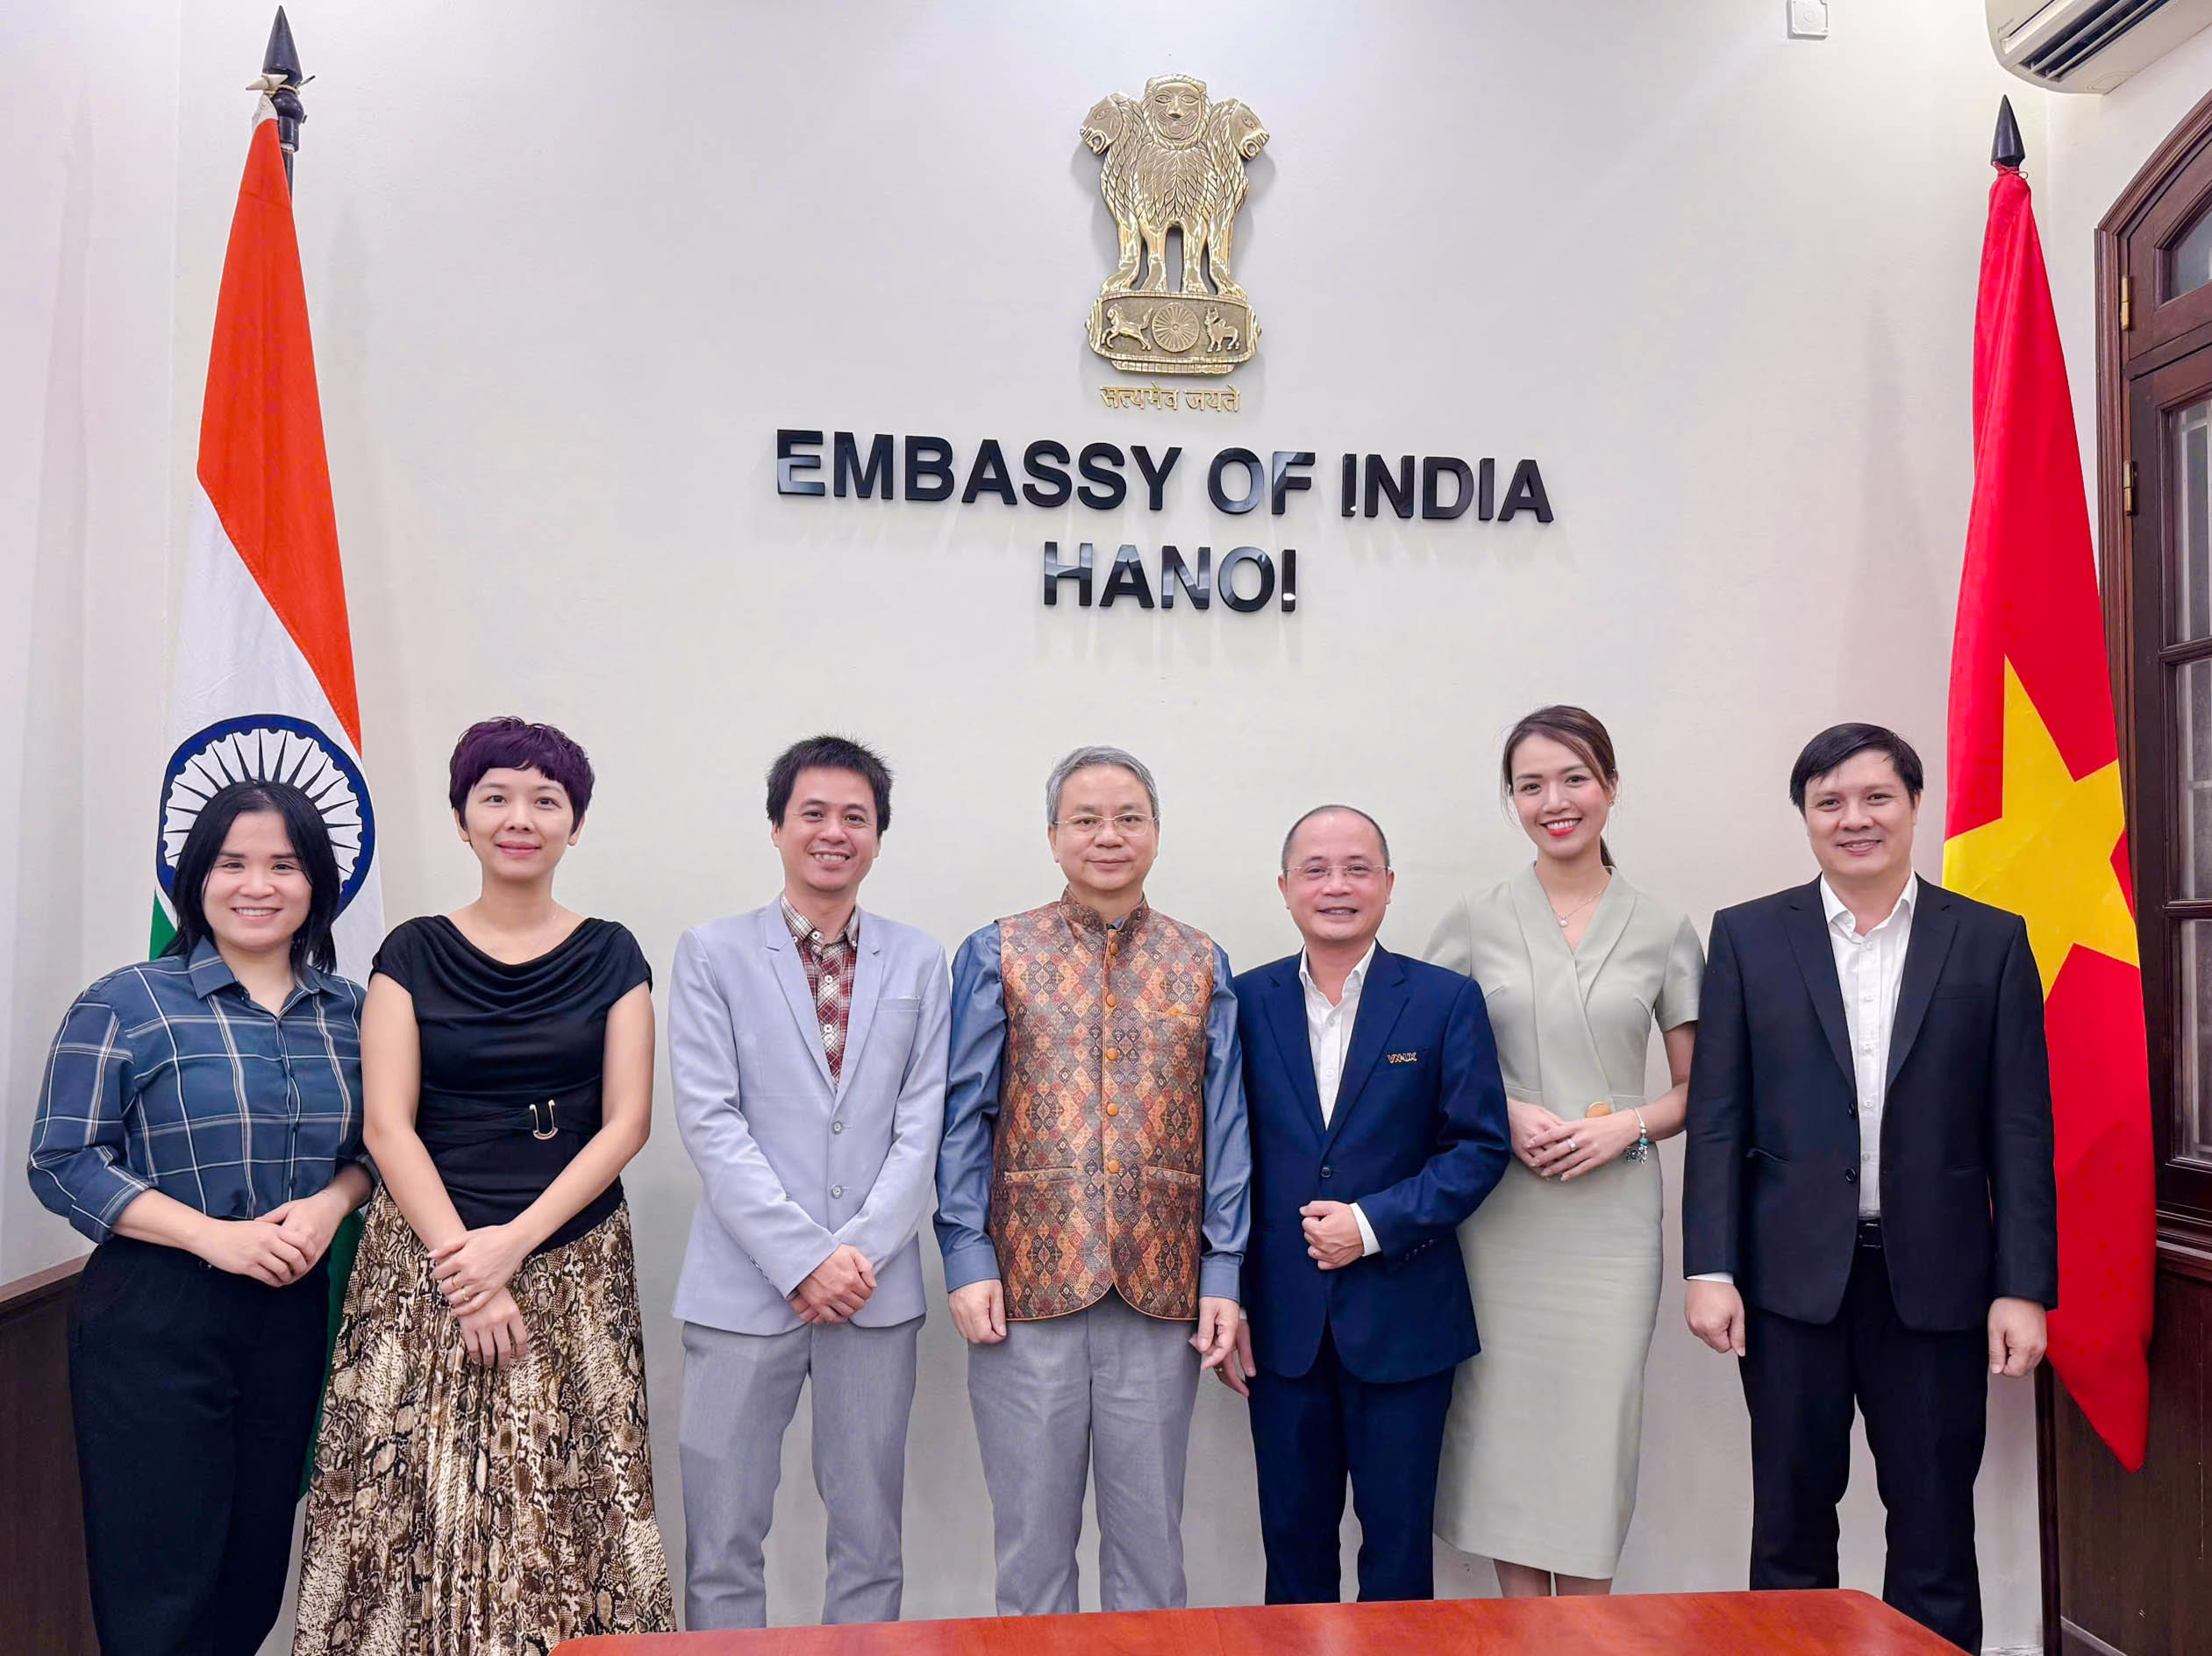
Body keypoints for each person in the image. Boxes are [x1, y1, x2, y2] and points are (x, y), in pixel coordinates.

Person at [294, 717, 674, 1652]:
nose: (520, 818)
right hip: (422, 1264)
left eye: (546, 800)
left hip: (571, 1259)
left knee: (567, 1505)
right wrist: (466, 1266)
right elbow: (387, 1126)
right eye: (496, 796)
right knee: (403, 1502)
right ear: (462, 818)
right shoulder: (410, 952)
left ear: (574, 825)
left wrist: (512, 1246)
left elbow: (626, 1123)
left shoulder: (613, 953)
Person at [1680, 723, 2057, 1653]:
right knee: (1790, 1530)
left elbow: (2019, 1129)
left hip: (1937, 1285)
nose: (1854, 818)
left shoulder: (1989, 941)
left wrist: (2021, 1287)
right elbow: (1718, 1118)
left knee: (1934, 1534)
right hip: (1787, 1287)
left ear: (1913, 805)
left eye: (1876, 797)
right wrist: (1709, 1268)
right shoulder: (1747, 937)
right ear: (1806, 817)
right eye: (1830, 802)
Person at [27, 779, 373, 1656]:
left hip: (289, 1312)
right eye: (232, 863)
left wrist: (331, 1204)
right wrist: (212, 1236)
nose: (258, 885)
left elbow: (383, 1147)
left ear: (317, 882)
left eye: (284, 865)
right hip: (156, 1311)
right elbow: (62, 1158)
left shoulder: (352, 1013)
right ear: (196, 879)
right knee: (160, 1589)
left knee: (250, 1575)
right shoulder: (127, 1001)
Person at [934, 744, 1250, 1616]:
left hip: (1160, 1294)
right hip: (1023, 1292)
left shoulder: (1200, 961)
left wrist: (1223, 1269)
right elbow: (964, 1117)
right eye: (1085, 819)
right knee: (1031, 1552)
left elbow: (1224, 1127)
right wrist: (965, 1254)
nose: (1107, 836)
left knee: (1151, 1556)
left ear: (1155, 834)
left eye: (1127, 818)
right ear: (1053, 836)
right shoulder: (996, 952)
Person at [669, 735, 950, 1629]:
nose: (834, 832)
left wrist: (852, 1257)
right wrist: (801, 1259)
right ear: (777, 827)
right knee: (721, 1542)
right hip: (741, 1289)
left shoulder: (920, 960)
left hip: (873, 1290)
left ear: (878, 837)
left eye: (854, 817)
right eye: (813, 813)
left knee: (870, 1541)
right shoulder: (710, 953)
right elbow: (711, 1121)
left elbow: (922, 1124)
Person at [1425, 706, 1703, 1596]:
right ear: (1511, 800)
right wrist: (1501, 1113)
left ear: (1610, 787)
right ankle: (1523, 1631)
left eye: (1574, 778)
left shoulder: (1663, 928)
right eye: (1531, 784)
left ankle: (1586, 1629)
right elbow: (1421, 1065)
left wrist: (1625, 1125)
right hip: (1500, 1214)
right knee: (1504, 1425)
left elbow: (1699, 1091)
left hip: (1612, 1219)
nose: (1555, 800)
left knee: (1594, 1425)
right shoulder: (1474, 920)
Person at [1220, 804, 1511, 1603]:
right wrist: (1226, 1294)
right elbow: (1220, 1159)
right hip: (1281, 1325)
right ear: (1285, 887)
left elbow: (1480, 1147)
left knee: (1398, 1555)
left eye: (1357, 868)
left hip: (1406, 1320)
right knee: (1293, 1551)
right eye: (1315, 870)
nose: (1337, 886)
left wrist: (1371, 1224)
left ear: (1387, 884)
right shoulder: (1242, 1002)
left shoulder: (1444, 1000)